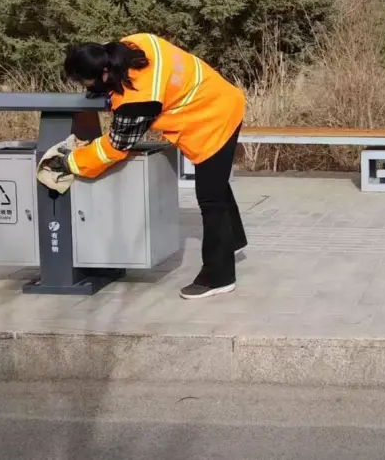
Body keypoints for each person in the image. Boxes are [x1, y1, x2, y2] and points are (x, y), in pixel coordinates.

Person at [42, 33, 248, 300]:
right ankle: (232, 241)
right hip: (217, 95)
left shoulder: (139, 99)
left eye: (87, 83)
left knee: (211, 199)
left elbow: (116, 146)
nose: (86, 88)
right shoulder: (137, 42)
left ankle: (219, 276)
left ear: (104, 74)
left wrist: (71, 161)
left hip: (213, 118)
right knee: (216, 186)